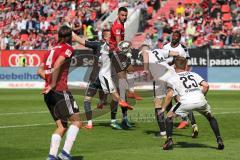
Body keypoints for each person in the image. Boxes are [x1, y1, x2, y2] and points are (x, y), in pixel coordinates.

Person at [72, 29, 133, 129]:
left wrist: (72, 33)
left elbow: (80, 40)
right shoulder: (107, 47)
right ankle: (113, 109)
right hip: (101, 77)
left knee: (88, 100)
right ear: (104, 37)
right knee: (104, 98)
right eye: (110, 36)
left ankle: (90, 123)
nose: (111, 37)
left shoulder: (105, 47)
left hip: (96, 77)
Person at [37, 25, 82, 160]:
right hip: (60, 90)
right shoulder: (68, 48)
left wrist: (49, 82)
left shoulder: (50, 50)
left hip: (48, 94)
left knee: (62, 126)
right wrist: (52, 83)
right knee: (77, 122)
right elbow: (58, 63)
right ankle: (65, 154)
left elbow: (39, 71)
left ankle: (52, 156)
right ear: (68, 37)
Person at [161, 57, 224, 150]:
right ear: (186, 66)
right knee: (210, 117)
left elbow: (170, 94)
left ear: (174, 66)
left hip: (185, 102)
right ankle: (219, 139)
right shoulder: (193, 74)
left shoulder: (172, 78)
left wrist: (163, 108)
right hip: (200, 100)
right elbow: (206, 86)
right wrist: (202, 95)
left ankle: (169, 140)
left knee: (169, 116)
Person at [141, 44, 184, 138]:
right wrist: (174, 64)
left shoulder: (145, 51)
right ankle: (182, 115)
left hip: (160, 77)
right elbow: (177, 53)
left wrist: (145, 69)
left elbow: (144, 54)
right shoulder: (159, 50)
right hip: (171, 72)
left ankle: (163, 133)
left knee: (158, 104)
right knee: (171, 100)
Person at [109, 6, 141, 129]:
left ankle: (124, 118)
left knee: (124, 87)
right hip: (116, 55)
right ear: (118, 14)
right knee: (119, 89)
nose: (124, 17)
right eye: (122, 15)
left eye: (125, 15)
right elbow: (118, 43)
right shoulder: (117, 27)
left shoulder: (121, 25)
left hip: (119, 54)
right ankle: (114, 120)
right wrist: (126, 50)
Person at [163, 30, 197, 130]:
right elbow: (162, 59)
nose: (174, 37)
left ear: (179, 38)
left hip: (176, 76)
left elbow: (185, 63)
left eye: (176, 36)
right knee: (170, 99)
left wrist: (182, 76)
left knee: (179, 99)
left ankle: (189, 121)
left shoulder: (182, 48)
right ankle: (175, 121)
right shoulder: (165, 46)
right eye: (173, 35)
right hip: (167, 76)